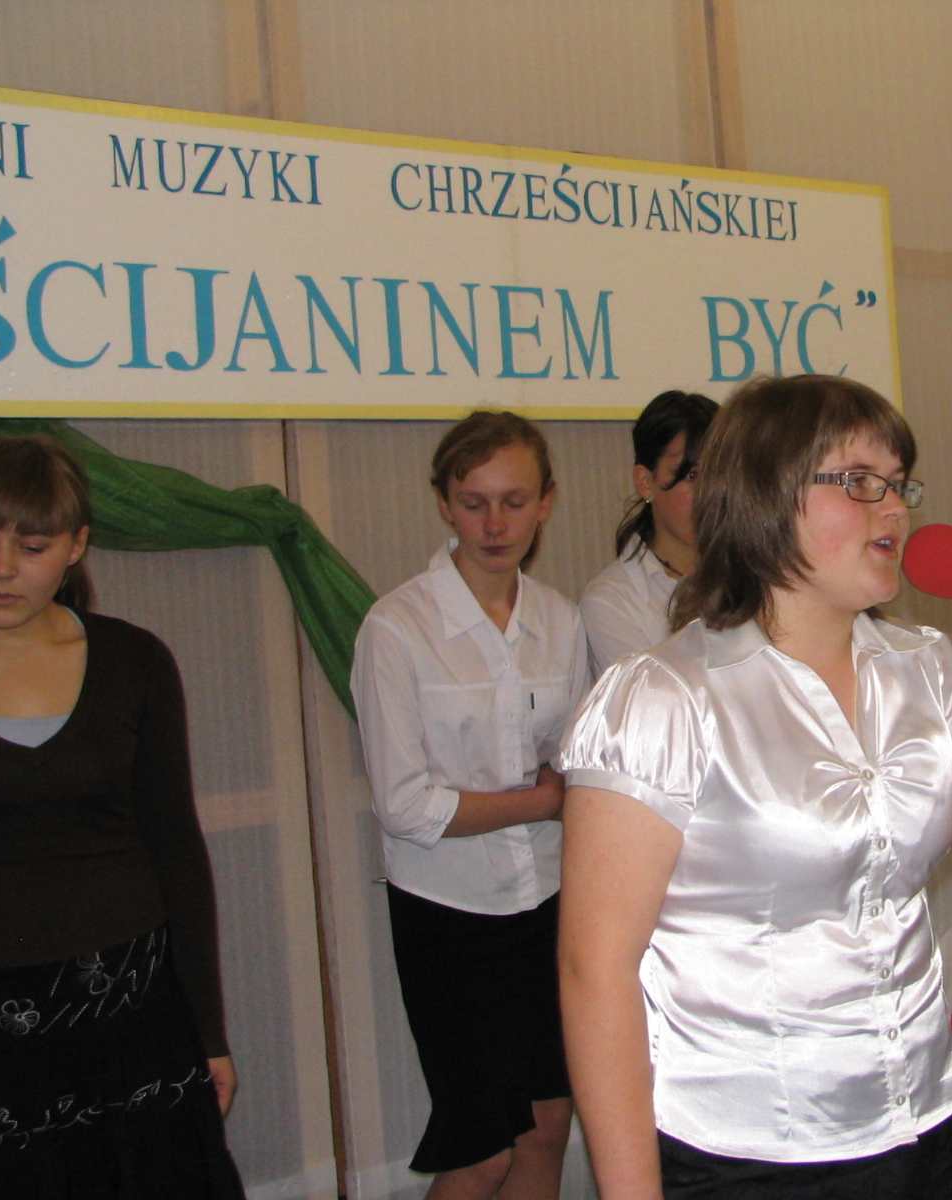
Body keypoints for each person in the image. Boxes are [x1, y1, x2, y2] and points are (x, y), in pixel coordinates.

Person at [557, 375, 952, 1198]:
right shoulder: (662, 699)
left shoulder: (923, 668)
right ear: (766, 496)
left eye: (899, 483)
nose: (894, 508)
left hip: (919, 1127)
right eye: (861, 482)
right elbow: (594, 971)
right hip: (744, 1152)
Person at [0, 435, 243, 1198]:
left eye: (32, 546)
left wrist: (208, 1031)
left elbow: (176, 848)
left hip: (130, 1011)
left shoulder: (135, 661)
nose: (1, 569)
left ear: (76, 546)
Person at [351, 411, 590, 1200]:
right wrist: (538, 802)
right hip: (447, 912)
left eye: (514, 502)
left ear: (546, 502)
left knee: (548, 1127)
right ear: (444, 504)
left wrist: (553, 795)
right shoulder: (397, 627)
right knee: (482, 1152)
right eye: (474, 502)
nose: (494, 524)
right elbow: (406, 807)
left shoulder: (559, 619)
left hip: (548, 897)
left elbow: (575, 761)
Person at [579, 390, 717, 677]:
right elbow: (652, 698)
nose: (710, 493)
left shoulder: (757, 577)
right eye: (692, 476)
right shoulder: (612, 600)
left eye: (720, 474)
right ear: (645, 481)